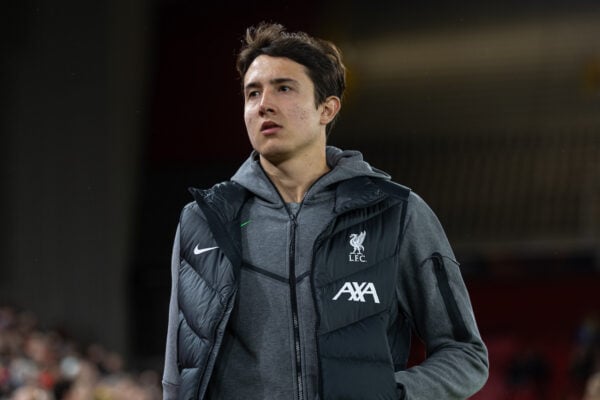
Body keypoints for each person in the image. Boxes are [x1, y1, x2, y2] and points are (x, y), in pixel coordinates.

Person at [162, 22, 489, 400]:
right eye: (253, 93)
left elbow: (465, 353)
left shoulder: (395, 212)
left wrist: (390, 393)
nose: (263, 103)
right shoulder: (204, 220)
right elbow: (178, 375)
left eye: (283, 88)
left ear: (327, 108)